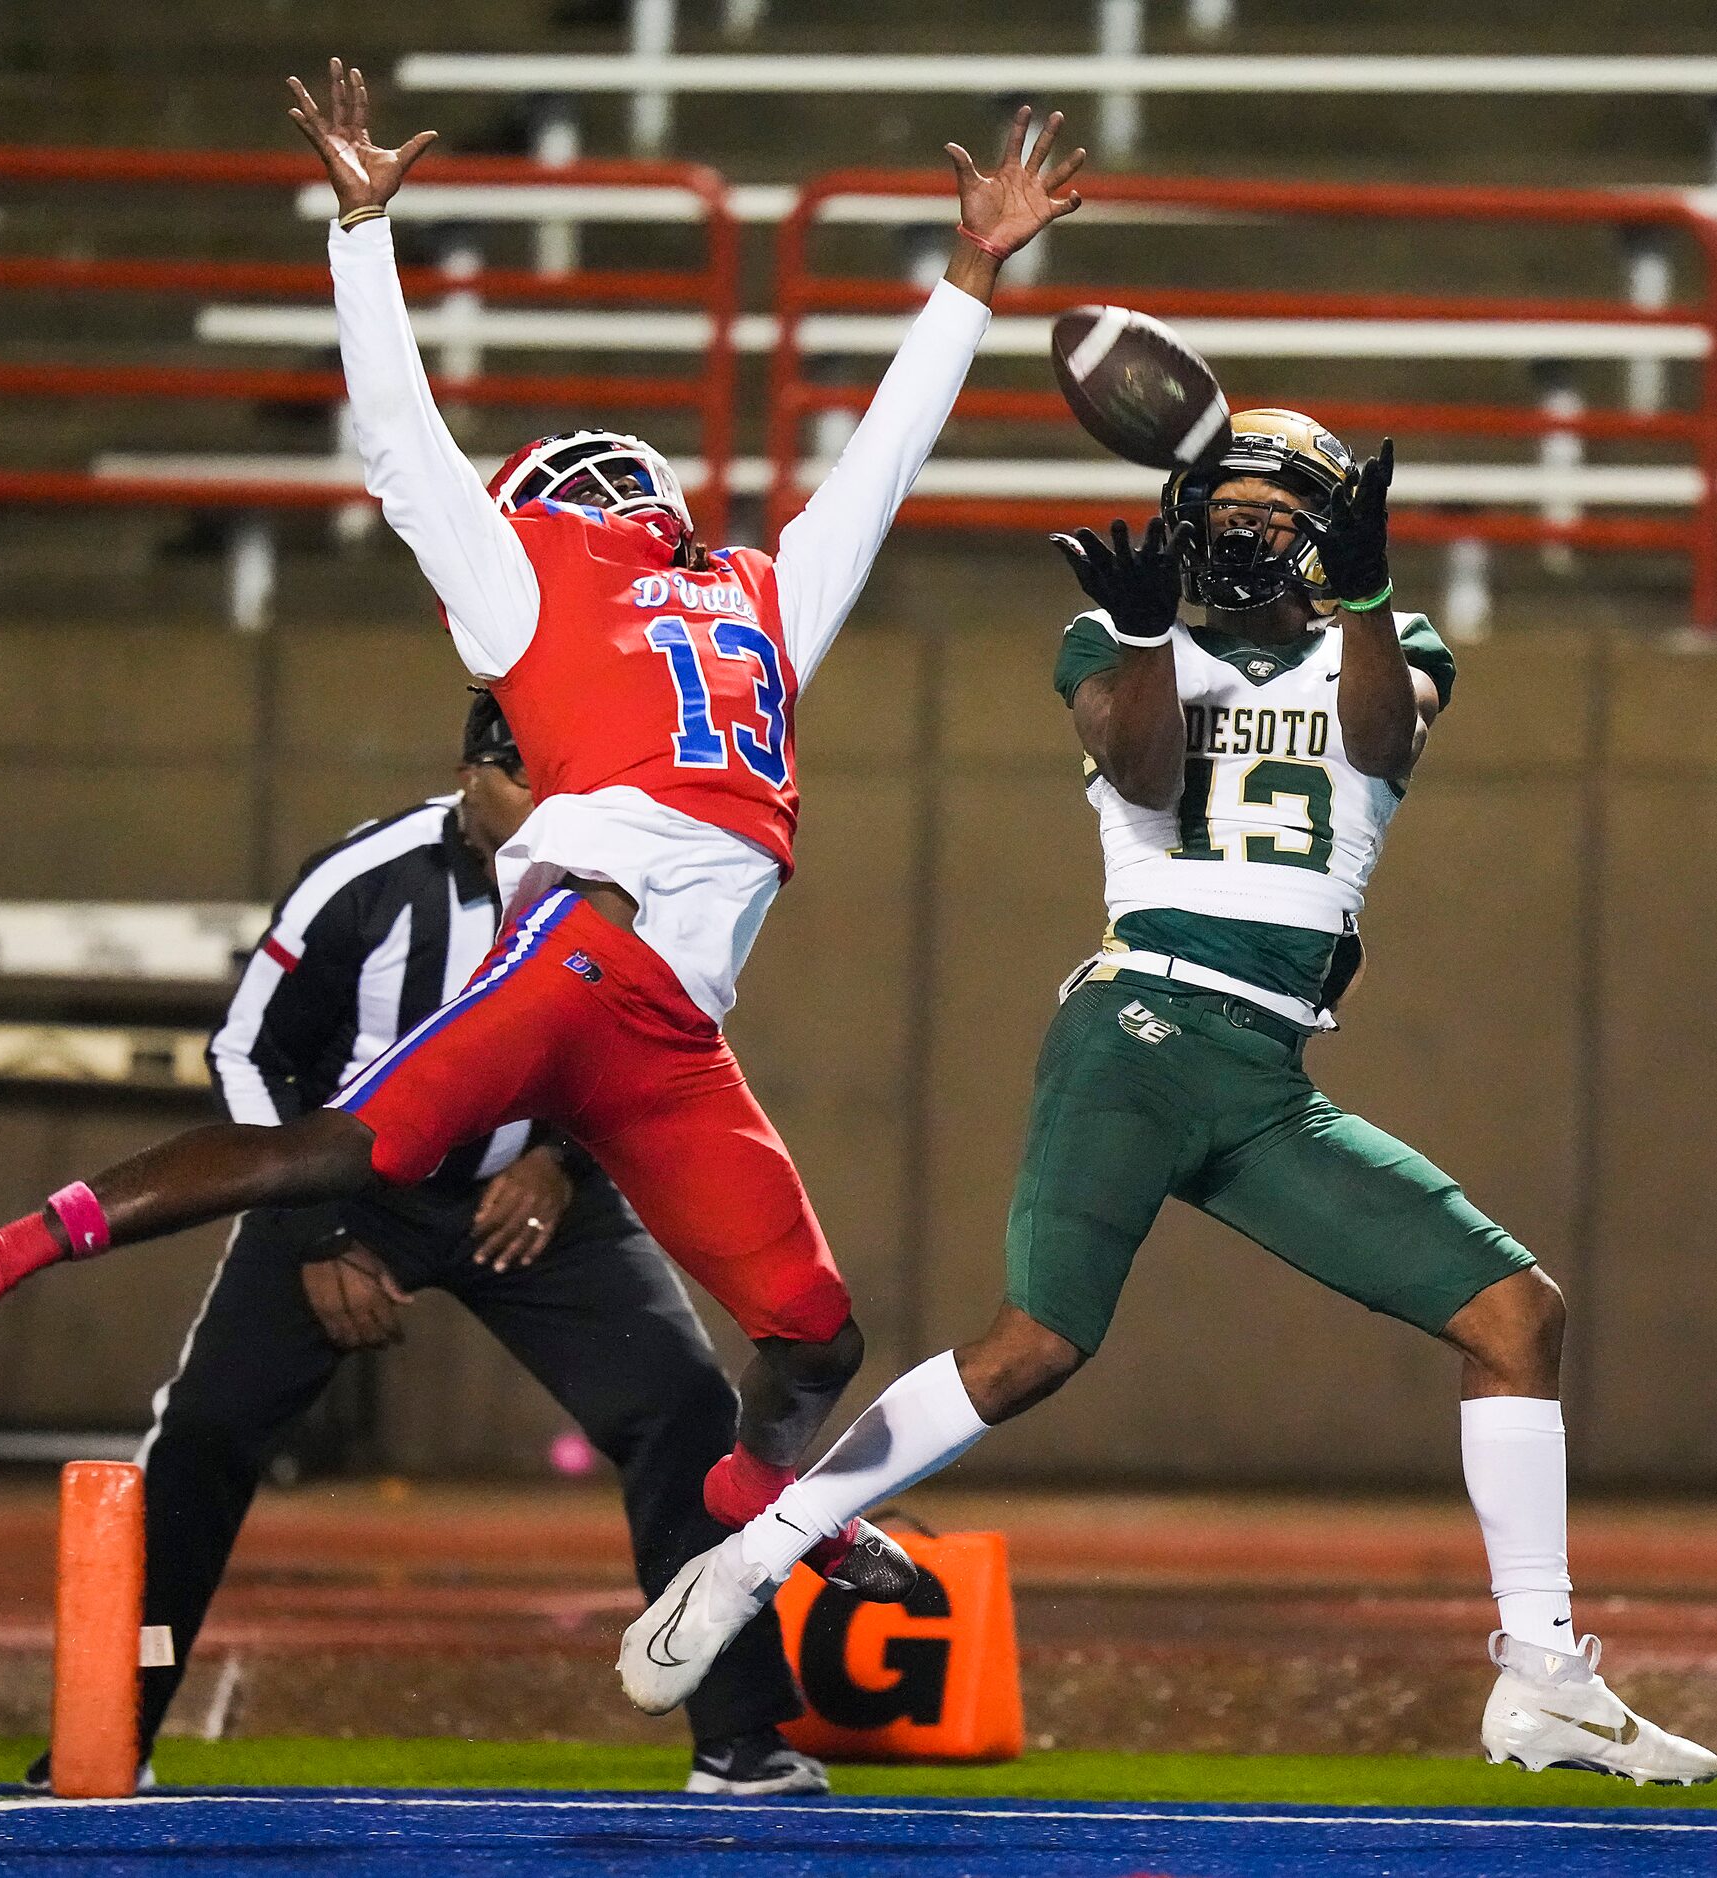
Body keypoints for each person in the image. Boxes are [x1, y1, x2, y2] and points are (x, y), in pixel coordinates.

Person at [0, 60, 1084, 1595]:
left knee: (807, 1327)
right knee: (351, 1163)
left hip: (661, 1028)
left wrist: (364, 236)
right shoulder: (756, 596)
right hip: (585, 959)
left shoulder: (579, 585)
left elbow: (407, 451)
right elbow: (874, 465)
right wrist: (971, 279)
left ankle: (755, 1509)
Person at [616, 411, 1717, 1788]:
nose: (1244, 525)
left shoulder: (1394, 641)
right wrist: (1141, 639)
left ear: (1329, 530)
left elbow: (1381, 737)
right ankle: (746, 1561)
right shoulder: (1121, 644)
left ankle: (1544, 1677)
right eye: (1226, 502)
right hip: (1142, 1022)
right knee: (1032, 1348)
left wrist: (1370, 596)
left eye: (1273, 506)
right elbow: (1143, 768)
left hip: (1259, 1073)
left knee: (1515, 1313)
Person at [20, 694, 823, 1796]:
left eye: (567, 775)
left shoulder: (629, 872)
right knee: (204, 1433)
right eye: (526, 776)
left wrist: (560, 1164)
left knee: (682, 1410)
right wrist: (315, 1233)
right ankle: (112, 1723)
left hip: (537, 1195)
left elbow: (666, 1053)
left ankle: (740, 1741)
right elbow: (249, 1052)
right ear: (469, 773)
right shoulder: (365, 877)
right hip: (361, 1196)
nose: (552, 802)